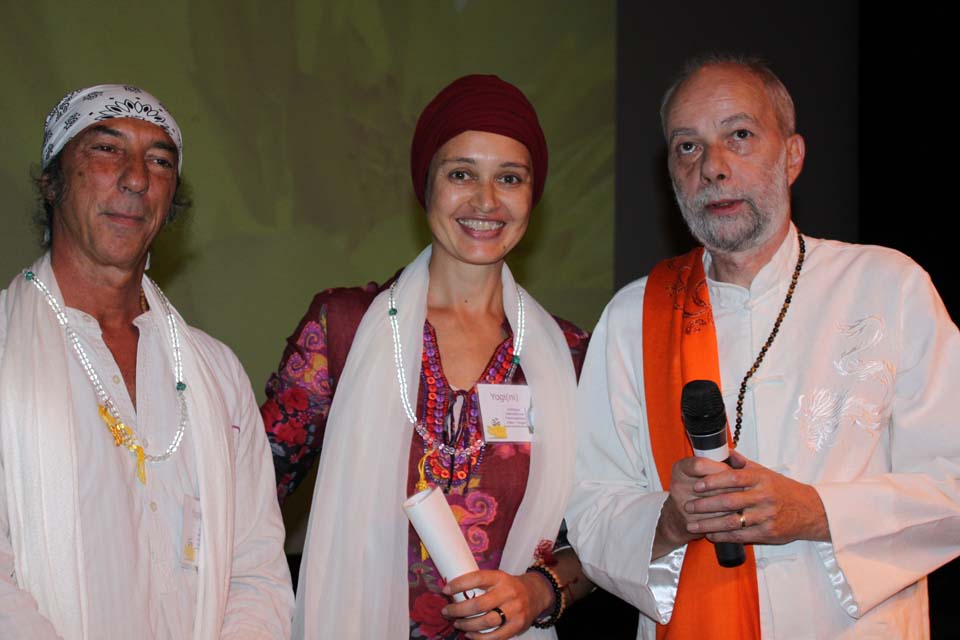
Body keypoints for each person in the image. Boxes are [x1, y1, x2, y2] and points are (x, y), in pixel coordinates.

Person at [565, 55, 960, 639]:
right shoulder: (632, 316)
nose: (712, 167)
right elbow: (591, 506)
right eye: (687, 147)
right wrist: (670, 521)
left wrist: (815, 512)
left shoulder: (888, 286)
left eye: (740, 136)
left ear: (792, 155)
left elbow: (952, 481)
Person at [262, 74, 593, 639]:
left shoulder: (568, 356)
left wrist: (538, 591)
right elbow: (245, 500)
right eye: (461, 173)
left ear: (531, 196)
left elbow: (601, 533)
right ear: (427, 186)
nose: (486, 201)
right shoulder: (344, 328)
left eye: (509, 178)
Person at [0, 85, 294, 639]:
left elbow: (256, 571)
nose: (136, 178)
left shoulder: (214, 372)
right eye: (106, 149)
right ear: (52, 181)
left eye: (159, 161)